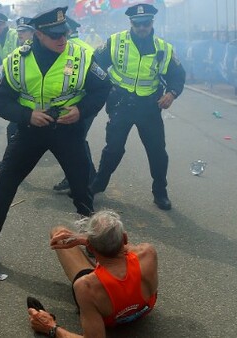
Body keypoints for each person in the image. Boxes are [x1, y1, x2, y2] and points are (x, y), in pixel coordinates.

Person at [0, 7, 112, 268]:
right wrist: (26, 115)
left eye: (64, 33)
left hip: (68, 132)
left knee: (82, 193)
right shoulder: (17, 60)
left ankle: (96, 249)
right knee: (3, 186)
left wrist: (82, 110)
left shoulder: (81, 55)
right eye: (55, 35)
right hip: (30, 132)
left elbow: (103, 87)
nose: (62, 39)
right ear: (38, 35)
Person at [90, 4, 186, 210]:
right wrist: (105, 85)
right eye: (137, 24)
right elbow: (95, 62)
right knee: (113, 149)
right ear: (130, 23)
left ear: (152, 23)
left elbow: (178, 76)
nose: (142, 27)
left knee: (157, 151)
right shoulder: (116, 42)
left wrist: (171, 93)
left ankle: (160, 191)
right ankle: (98, 184)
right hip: (121, 103)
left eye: (146, 23)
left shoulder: (164, 48)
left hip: (149, 106)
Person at [28, 210, 158, 337]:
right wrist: (88, 240)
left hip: (111, 320)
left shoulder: (86, 286)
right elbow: (125, 247)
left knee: (57, 231)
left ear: (89, 247)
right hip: (144, 309)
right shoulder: (148, 252)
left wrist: (51, 328)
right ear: (124, 237)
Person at [52, 16, 97, 192]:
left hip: (78, 105)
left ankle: (82, 181)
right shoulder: (86, 47)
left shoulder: (72, 50)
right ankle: (86, 177)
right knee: (76, 141)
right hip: (84, 105)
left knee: (74, 143)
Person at [0, 16, 32, 171]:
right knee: (14, 130)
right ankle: (10, 163)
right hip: (24, 97)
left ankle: (85, 177)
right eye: (19, 30)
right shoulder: (18, 48)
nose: (20, 33)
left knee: (65, 143)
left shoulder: (34, 49)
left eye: (25, 31)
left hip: (41, 101)